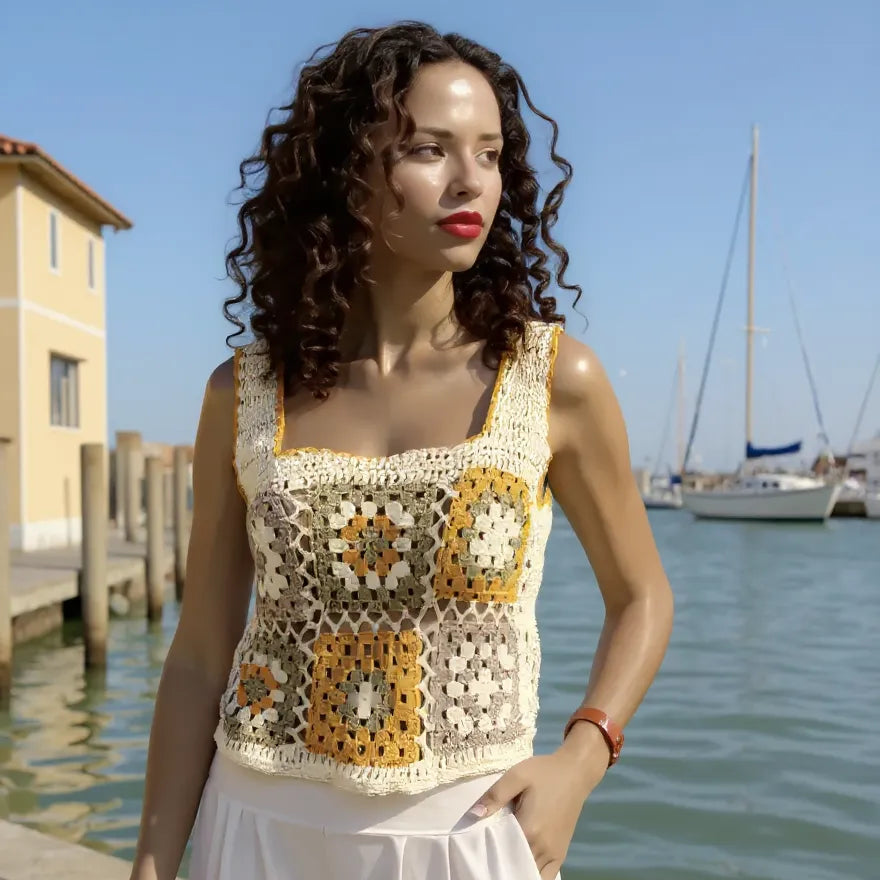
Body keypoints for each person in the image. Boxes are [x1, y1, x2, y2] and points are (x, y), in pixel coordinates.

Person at [129, 21, 673, 880]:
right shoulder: (243, 394)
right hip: (256, 827)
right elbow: (200, 651)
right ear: (346, 174)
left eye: (490, 154)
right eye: (429, 149)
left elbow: (642, 596)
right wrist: (153, 865)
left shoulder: (550, 379)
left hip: (468, 834)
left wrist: (581, 759)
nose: (470, 182)